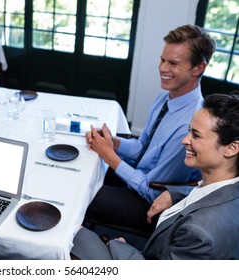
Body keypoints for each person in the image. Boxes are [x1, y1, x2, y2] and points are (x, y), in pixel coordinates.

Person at [72, 93, 239, 259]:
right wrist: (175, 193)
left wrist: (120, 247)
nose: (184, 140)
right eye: (189, 131)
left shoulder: (199, 233)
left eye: (196, 135)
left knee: (72, 233)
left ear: (231, 148)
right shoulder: (226, 186)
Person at [84, 24, 216, 233]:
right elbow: (141, 147)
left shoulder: (189, 127)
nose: (163, 68)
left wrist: (111, 157)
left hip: (146, 201)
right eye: (162, 60)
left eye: (173, 63)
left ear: (198, 68)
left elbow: (153, 190)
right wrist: (113, 142)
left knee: (80, 194)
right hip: (138, 175)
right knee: (83, 165)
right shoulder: (165, 96)